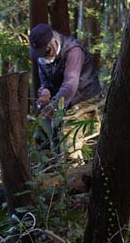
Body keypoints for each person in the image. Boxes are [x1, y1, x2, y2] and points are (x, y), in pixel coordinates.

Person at [29, 23, 102, 157]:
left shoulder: (73, 51)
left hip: (84, 99)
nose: (43, 56)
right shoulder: (42, 58)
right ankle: (48, 170)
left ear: (53, 43)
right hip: (61, 101)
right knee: (40, 130)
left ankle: (72, 169)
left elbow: (70, 85)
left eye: (45, 52)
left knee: (68, 131)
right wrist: (45, 91)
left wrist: (51, 108)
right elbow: (45, 80)